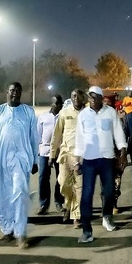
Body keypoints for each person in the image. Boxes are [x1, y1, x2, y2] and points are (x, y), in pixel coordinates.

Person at [0, 82, 39, 249]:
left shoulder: (28, 112)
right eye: (12, 90)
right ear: (7, 92)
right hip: (1, 161)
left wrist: (35, 160)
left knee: (20, 193)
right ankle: (7, 230)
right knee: (2, 196)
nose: (15, 93)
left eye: (18, 91)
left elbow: (34, 137)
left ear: (21, 93)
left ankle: (20, 233)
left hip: (21, 159)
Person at [73, 86, 128, 243]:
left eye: (94, 96)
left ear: (101, 98)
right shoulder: (83, 115)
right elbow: (79, 138)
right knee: (86, 195)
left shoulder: (110, 112)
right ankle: (86, 231)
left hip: (107, 158)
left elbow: (118, 132)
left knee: (110, 192)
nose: (91, 98)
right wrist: (77, 161)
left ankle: (107, 217)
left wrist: (122, 151)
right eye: (89, 96)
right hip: (89, 160)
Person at [51, 89, 86, 226]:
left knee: (79, 187)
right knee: (64, 184)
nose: (76, 98)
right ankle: (67, 204)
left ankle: (76, 217)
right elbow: (57, 134)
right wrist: (51, 154)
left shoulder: (88, 114)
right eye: (73, 96)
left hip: (82, 157)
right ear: (71, 98)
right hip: (65, 155)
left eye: (78, 96)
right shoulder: (64, 113)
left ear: (83, 97)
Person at [36, 95, 64, 214]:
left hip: (59, 151)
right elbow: (38, 134)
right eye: (56, 103)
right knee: (43, 178)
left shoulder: (63, 116)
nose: (58, 105)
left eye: (60, 103)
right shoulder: (43, 117)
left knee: (60, 178)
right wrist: (38, 148)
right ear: (51, 104)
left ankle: (59, 202)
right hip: (44, 151)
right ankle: (44, 204)